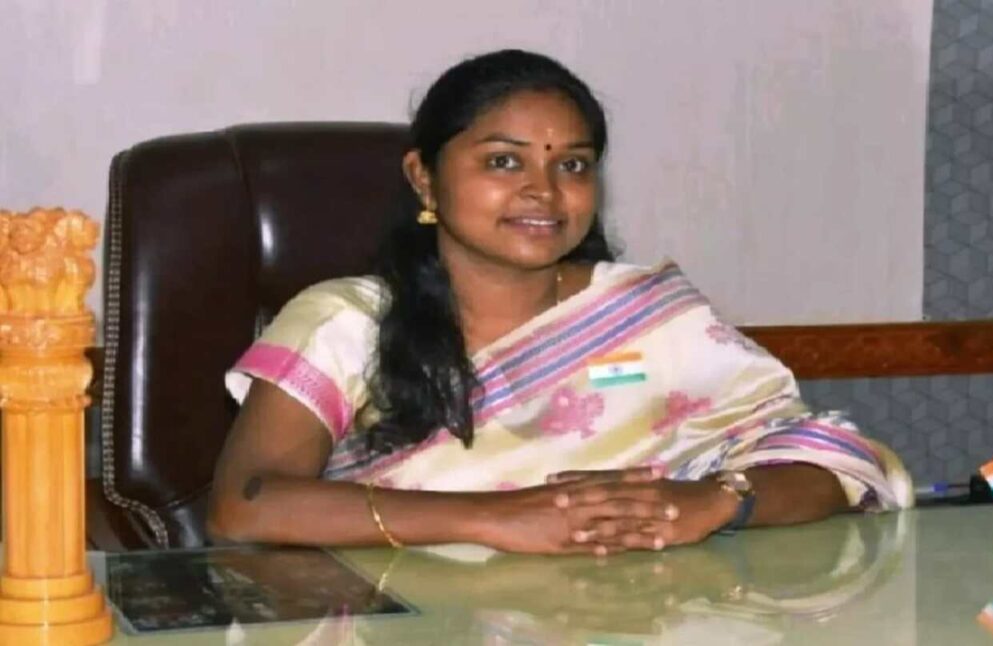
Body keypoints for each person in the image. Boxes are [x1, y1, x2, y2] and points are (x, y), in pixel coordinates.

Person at [207, 49, 913, 556]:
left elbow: (834, 461)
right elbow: (244, 504)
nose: (544, 191)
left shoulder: (647, 316)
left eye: (572, 164)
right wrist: (494, 518)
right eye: (503, 161)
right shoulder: (345, 322)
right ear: (424, 178)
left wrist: (716, 502)